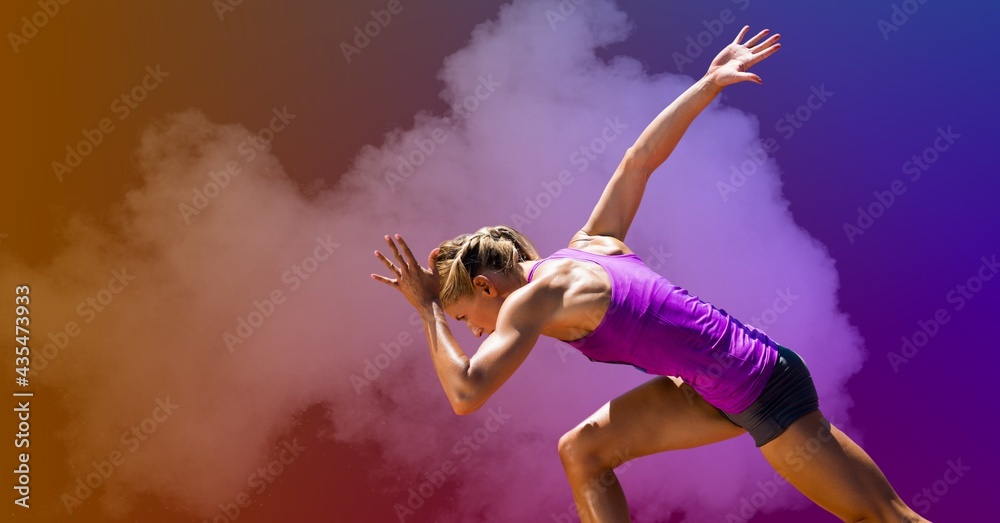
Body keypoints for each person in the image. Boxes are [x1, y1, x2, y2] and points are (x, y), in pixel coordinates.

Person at [371, 26, 929, 523]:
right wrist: (708, 84)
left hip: (758, 386)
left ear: (487, 287)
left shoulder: (531, 300)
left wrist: (426, 308)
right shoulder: (589, 245)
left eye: (467, 316)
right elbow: (638, 161)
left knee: (882, 517)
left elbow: (466, 392)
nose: (475, 330)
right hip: (703, 387)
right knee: (582, 451)